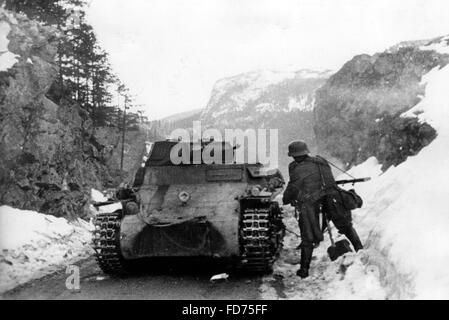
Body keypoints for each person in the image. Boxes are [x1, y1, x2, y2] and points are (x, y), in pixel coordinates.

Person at [282, 140, 363, 278]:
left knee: (308, 236)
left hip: (313, 203)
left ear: (295, 155)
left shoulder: (298, 168)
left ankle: (304, 270)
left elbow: (293, 188)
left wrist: (286, 198)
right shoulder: (320, 161)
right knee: (346, 227)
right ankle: (361, 251)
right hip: (334, 199)